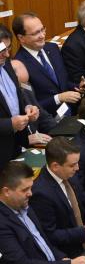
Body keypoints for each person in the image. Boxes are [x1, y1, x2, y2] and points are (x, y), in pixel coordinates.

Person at [0, 161, 85, 264]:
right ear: (6, 191)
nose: (30, 193)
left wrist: (63, 259)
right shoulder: (2, 223)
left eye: (31, 188)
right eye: (25, 190)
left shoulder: (25, 207)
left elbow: (44, 243)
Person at [29, 137, 85, 258]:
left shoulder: (69, 174)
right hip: (70, 253)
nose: (77, 168)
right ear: (55, 166)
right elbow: (51, 235)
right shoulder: (41, 193)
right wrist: (84, 231)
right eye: (72, 165)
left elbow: (81, 197)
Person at [12, 13, 77, 115]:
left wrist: (77, 87)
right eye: (35, 33)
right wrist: (58, 98)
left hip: (73, 111)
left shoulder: (52, 48)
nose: (42, 36)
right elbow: (30, 105)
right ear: (21, 38)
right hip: (49, 119)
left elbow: (63, 82)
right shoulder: (19, 66)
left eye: (43, 29)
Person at [0, 38, 35, 168]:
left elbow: (16, 93)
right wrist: (10, 124)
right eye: (1, 50)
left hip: (16, 144)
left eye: (8, 48)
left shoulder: (6, 63)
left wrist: (27, 107)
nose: (7, 54)